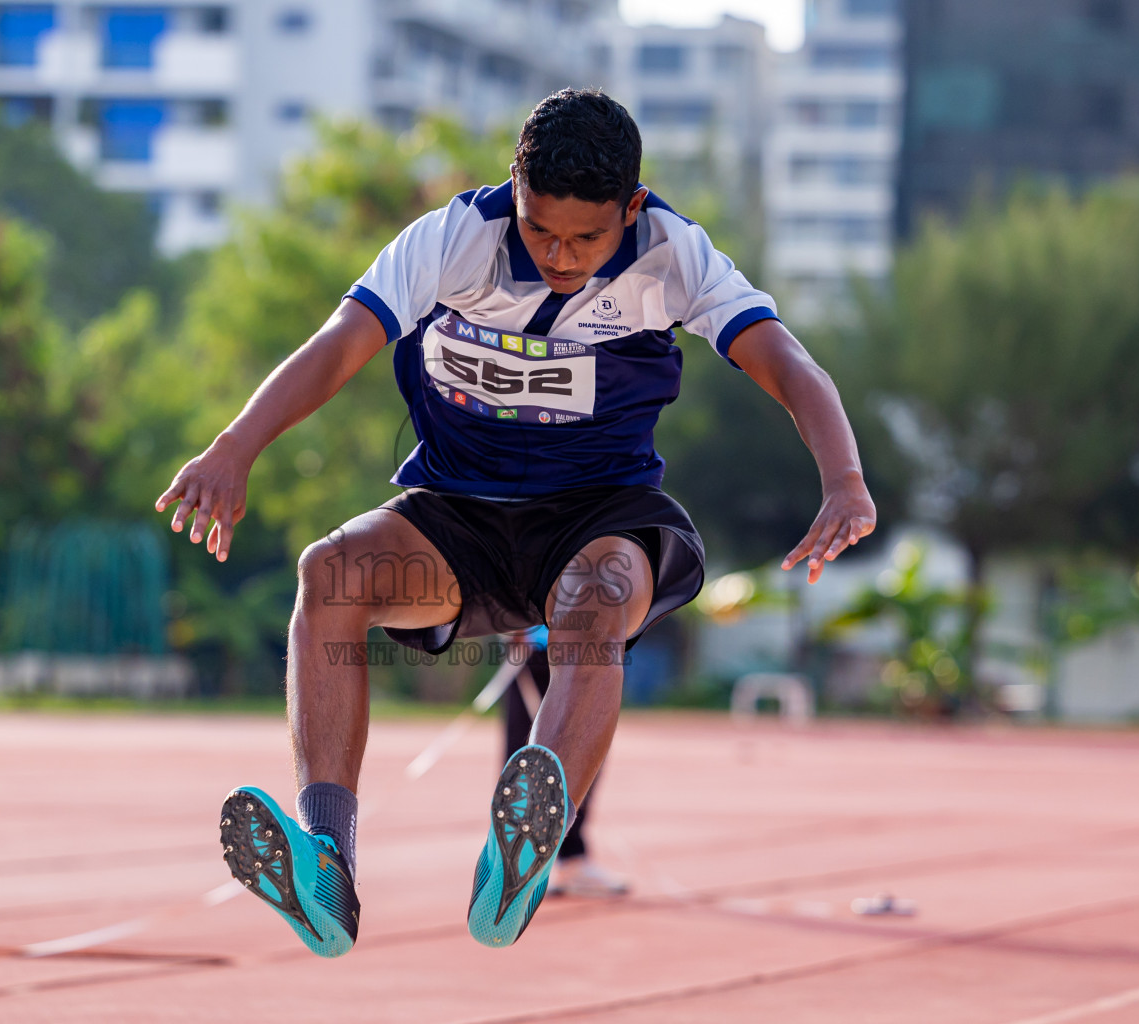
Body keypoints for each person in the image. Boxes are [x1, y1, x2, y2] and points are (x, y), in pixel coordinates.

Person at [157, 89, 876, 958]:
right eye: (542, 232)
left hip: (599, 513)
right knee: (328, 574)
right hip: (457, 518)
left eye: (587, 238)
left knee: (597, 597)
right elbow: (339, 342)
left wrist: (843, 478)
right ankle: (327, 859)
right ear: (515, 191)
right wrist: (235, 447)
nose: (562, 256)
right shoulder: (453, 239)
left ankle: (528, 849)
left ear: (632, 210)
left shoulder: (673, 254)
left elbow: (786, 361)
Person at [503, 625, 629, 899]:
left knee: (586, 756)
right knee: (526, 759)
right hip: (537, 650)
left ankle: (570, 860)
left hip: (592, 651)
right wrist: (511, 625)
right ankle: (515, 863)